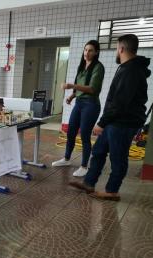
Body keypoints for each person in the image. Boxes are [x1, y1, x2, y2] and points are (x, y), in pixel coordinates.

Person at [70, 34, 151, 200]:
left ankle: (112, 191)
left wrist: (102, 122)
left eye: (116, 48)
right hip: (115, 121)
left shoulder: (131, 70)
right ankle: (89, 183)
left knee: (118, 157)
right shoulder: (127, 67)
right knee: (99, 151)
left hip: (123, 122)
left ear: (121, 48)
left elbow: (120, 102)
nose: (116, 51)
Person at [52, 40, 105, 177]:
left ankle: (84, 166)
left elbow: (92, 89)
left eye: (90, 50)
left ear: (96, 52)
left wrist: (71, 86)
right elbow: (79, 85)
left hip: (91, 105)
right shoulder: (81, 66)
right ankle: (66, 159)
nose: (87, 53)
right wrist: (72, 96)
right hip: (79, 103)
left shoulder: (98, 67)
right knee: (71, 132)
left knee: (85, 135)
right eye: (85, 50)